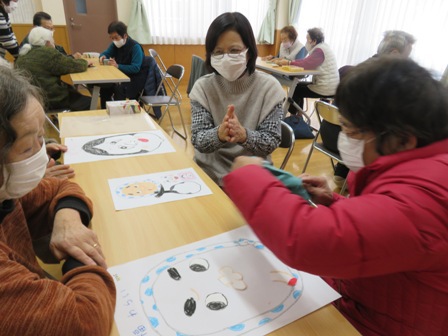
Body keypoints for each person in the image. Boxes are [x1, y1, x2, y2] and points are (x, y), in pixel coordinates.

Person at [223, 57, 448, 336]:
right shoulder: (426, 171)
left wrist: (250, 176)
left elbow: (309, 240)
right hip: (364, 301)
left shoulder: (428, 197)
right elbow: (380, 230)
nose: (345, 140)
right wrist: (336, 202)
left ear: (403, 140)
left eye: (353, 132)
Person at [0, 66, 116, 335]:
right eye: (29, 147)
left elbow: (60, 187)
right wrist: (81, 254)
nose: (41, 154)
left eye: (42, 138)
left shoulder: (8, 192)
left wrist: (70, 223)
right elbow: (86, 322)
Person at [189, 12, 285, 186]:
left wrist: (243, 135)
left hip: (252, 177)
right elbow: (198, 139)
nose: (226, 58)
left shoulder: (270, 89)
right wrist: (219, 134)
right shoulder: (202, 88)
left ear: (248, 52)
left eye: (234, 50)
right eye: (218, 52)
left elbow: (271, 141)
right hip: (208, 176)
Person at [333, 30, 417, 186]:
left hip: (332, 134)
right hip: (351, 144)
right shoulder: (385, 82)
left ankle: (341, 173)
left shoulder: (355, 70)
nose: (408, 60)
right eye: (407, 55)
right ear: (394, 53)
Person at [15, 26, 92, 111]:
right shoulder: (48, 53)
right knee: (90, 102)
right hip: (52, 99)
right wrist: (85, 62)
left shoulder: (23, 54)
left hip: (31, 99)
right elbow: (72, 66)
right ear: (47, 41)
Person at [274, 27, 339, 114]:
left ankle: (295, 116)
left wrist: (288, 62)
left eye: (308, 39)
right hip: (327, 86)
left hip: (325, 88)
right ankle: (298, 115)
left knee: (297, 89)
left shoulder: (319, 50)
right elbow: (305, 62)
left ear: (314, 41)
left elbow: (306, 64)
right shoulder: (322, 48)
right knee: (297, 86)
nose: (306, 41)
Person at [99, 21, 147, 108]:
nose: (114, 41)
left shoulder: (135, 47)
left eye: (116, 38)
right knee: (105, 87)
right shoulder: (115, 45)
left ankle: (119, 114)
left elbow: (135, 68)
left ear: (125, 35)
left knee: (118, 89)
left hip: (135, 78)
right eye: (111, 38)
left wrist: (117, 66)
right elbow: (105, 53)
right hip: (122, 76)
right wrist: (102, 57)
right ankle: (105, 112)